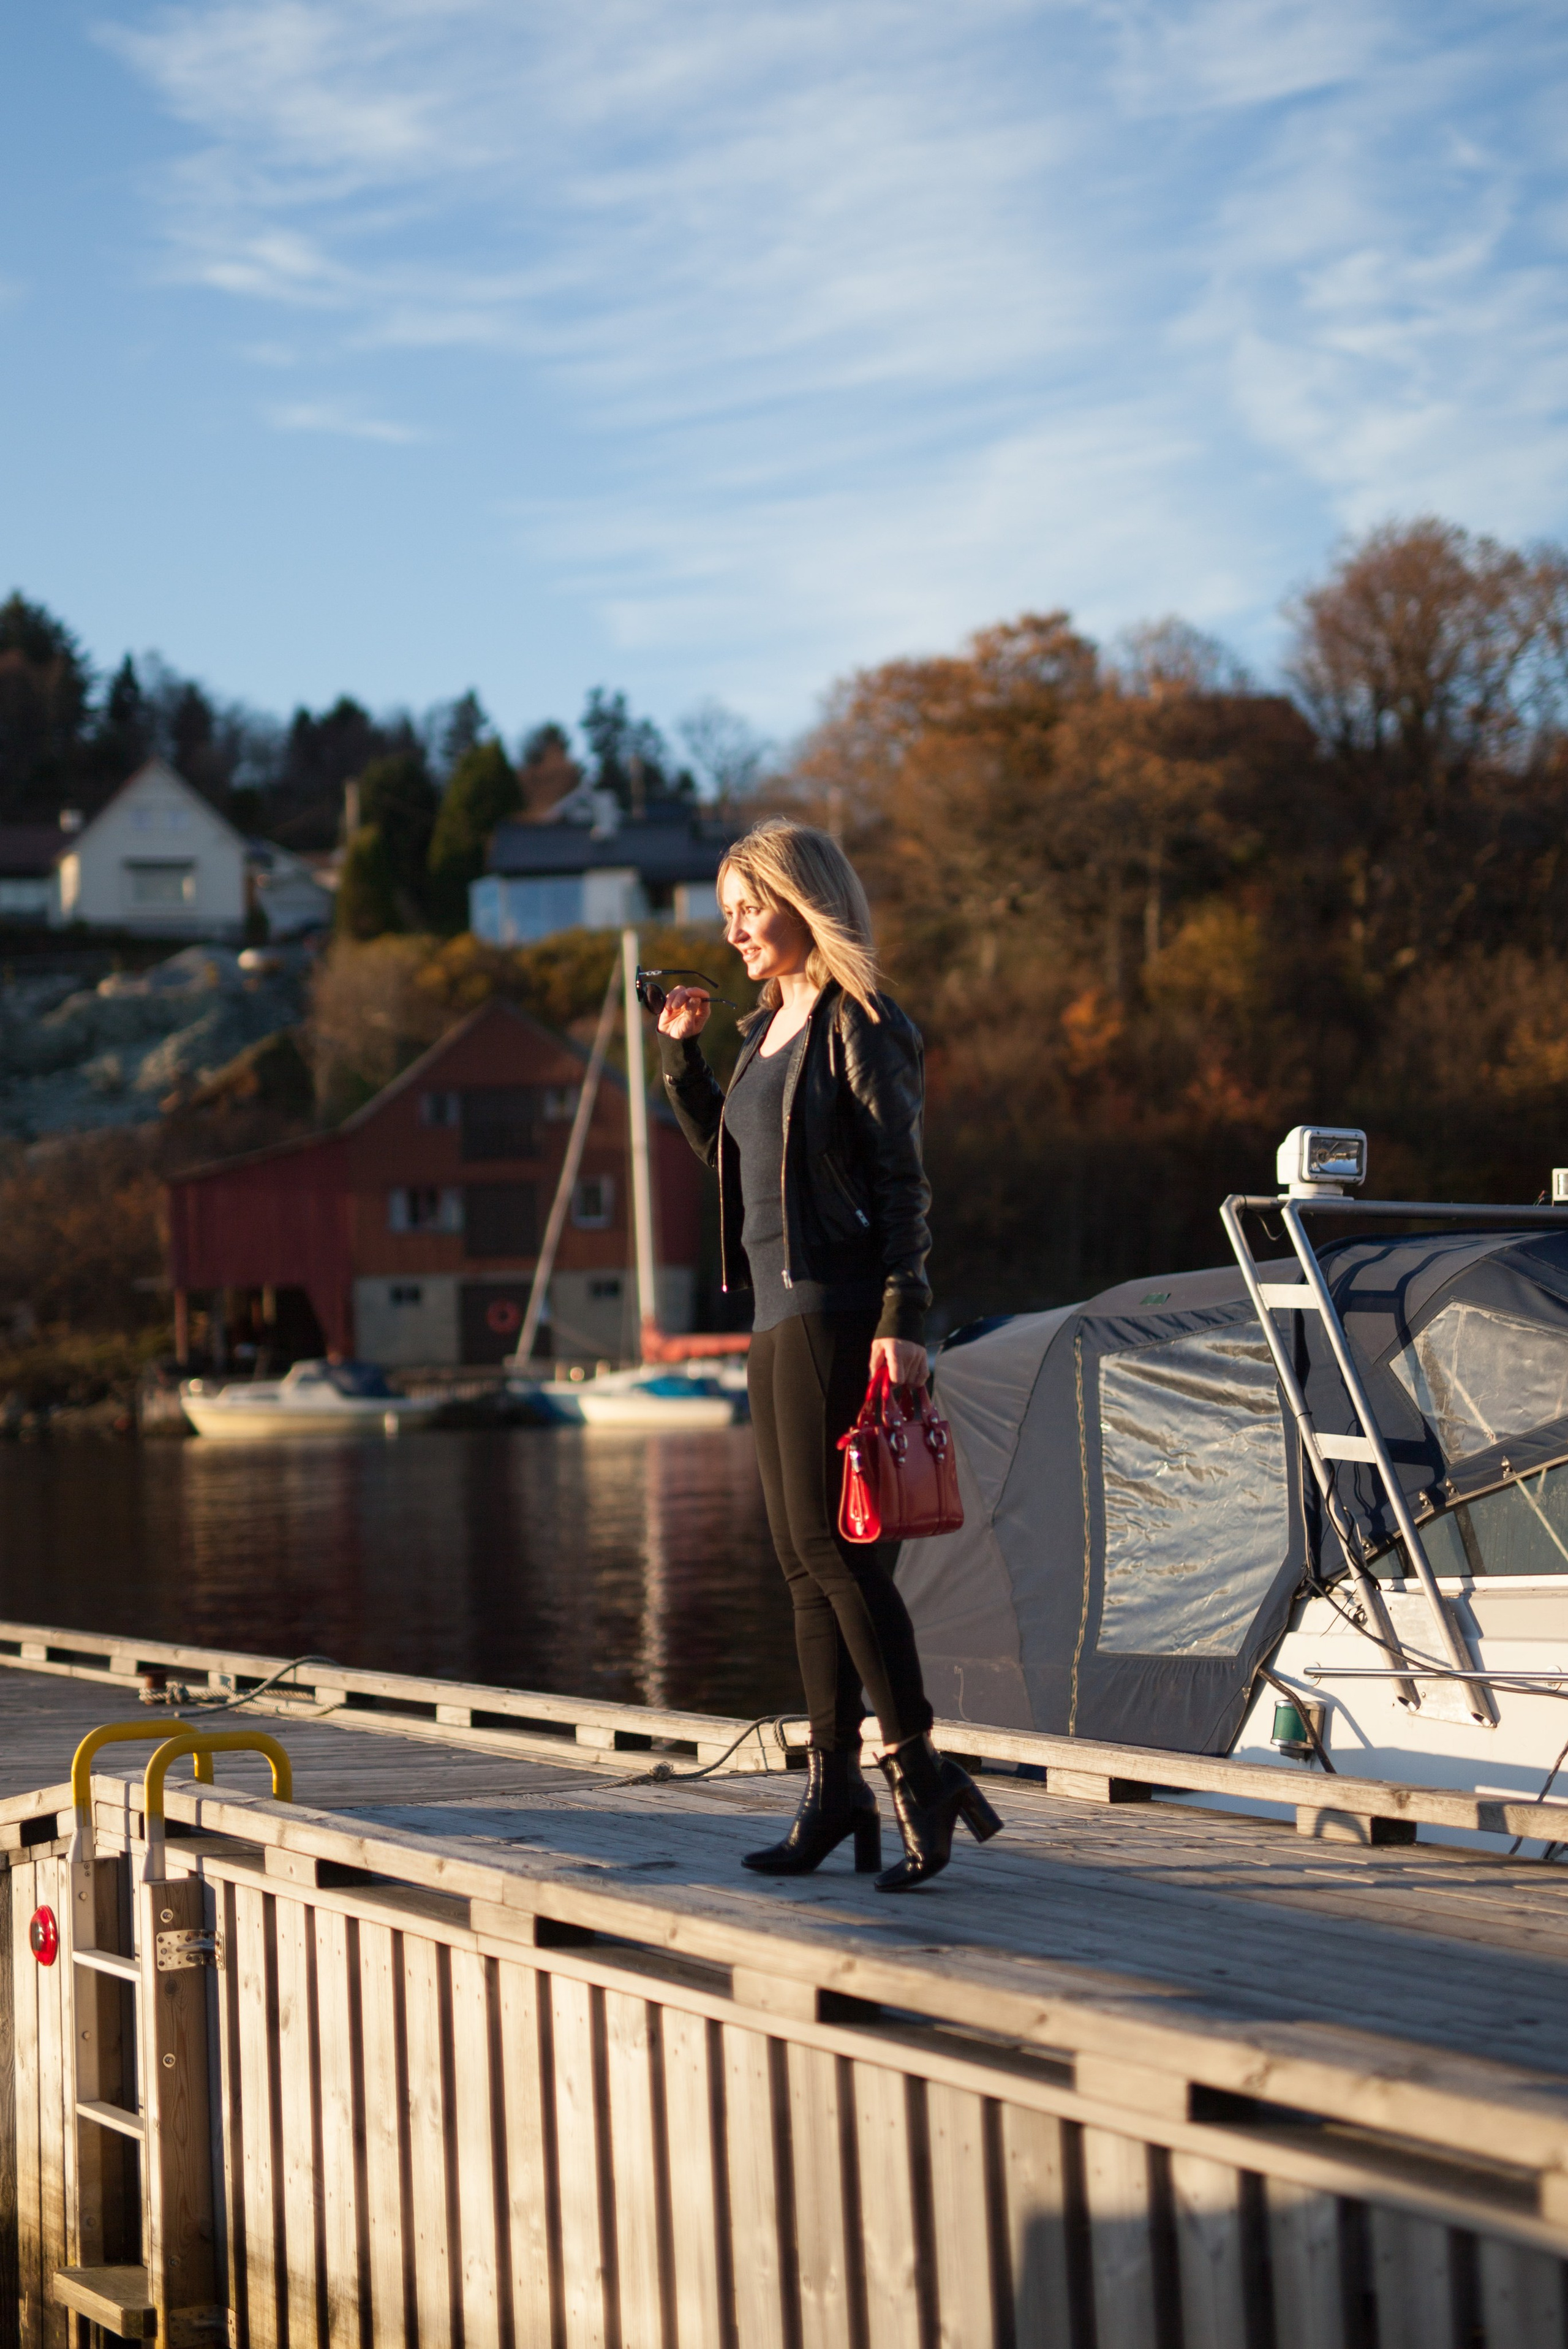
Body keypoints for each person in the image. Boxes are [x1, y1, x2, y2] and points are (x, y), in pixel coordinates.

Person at [654, 816, 1001, 1891]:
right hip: (771, 1314)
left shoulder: (865, 1021)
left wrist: (905, 1311)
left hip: (841, 1308)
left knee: (839, 1553)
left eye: (747, 907)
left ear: (804, 900)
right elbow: (732, 1158)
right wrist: (682, 1060)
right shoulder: (766, 1027)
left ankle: (915, 1769)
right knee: (805, 1563)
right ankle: (834, 1787)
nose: (736, 930)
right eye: (725, 914)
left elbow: (905, 1185)